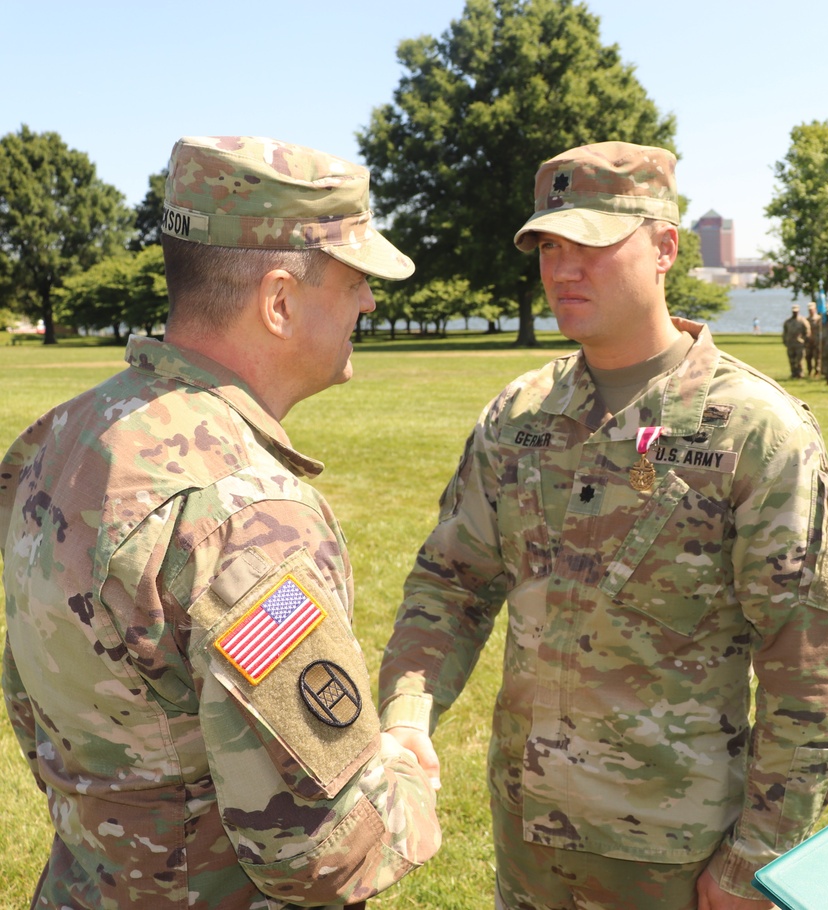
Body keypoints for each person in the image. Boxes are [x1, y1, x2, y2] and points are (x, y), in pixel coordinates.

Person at [378, 141, 828, 910]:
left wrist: (756, 858)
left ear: (666, 246)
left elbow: (805, 675)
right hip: (528, 836)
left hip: (677, 856)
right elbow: (451, 584)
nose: (563, 268)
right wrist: (408, 718)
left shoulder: (752, 430)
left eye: (593, 244)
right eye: (548, 245)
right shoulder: (518, 416)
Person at [0, 136, 440, 910]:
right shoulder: (248, 514)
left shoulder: (60, 436)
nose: (369, 302)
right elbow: (316, 852)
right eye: (353, 280)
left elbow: (33, 701)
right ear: (278, 300)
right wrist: (404, 770)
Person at [781, 304, 810, 378]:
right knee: (791, 360)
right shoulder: (788, 321)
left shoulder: (802, 321)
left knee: (799, 360)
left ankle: (800, 374)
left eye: (796, 311)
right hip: (790, 344)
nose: (795, 313)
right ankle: (793, 373)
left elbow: (807, 332)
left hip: (799, 344)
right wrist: (785, 341)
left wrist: (805, 341)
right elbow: (785, 332)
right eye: (794, 311)